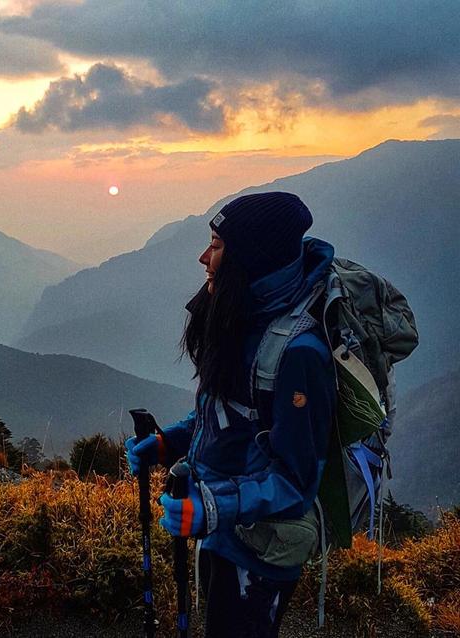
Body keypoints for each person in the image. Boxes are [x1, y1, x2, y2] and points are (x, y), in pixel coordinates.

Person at [125, 192, 337, 638]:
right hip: (226, 528)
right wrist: (169, 442)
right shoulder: (247, 314)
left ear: (249, 259)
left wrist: (211, 508)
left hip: (263, 550)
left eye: (217, 245)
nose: (204, 257)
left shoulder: (300, 354)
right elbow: (230, 413)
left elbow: (296, 482)